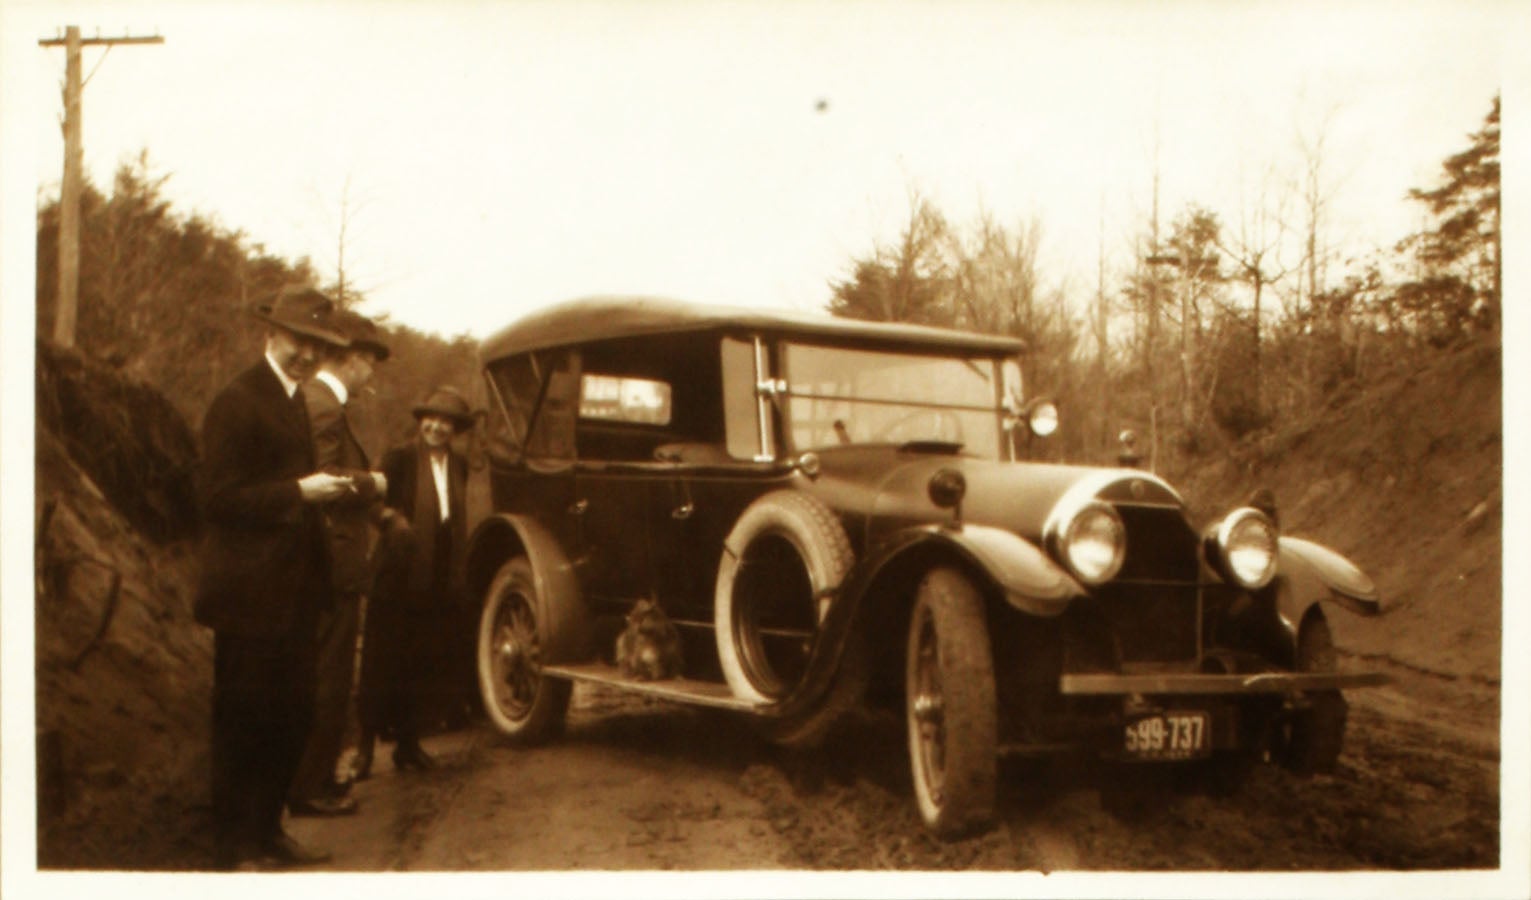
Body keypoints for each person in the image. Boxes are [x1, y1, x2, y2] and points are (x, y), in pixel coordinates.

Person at [194, 286, 354, 870]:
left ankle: (267, 831)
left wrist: (319, 497)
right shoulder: (237, 400)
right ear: (271, 336)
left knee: (292, 715)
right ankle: (234, 847)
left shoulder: (292, 401)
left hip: (292, 596)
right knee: (242, 720)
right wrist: (300, 493)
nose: (307, 355)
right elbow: (217, 500)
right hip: (247, 596)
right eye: (299, 341)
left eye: (317, 346)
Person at [286, 309, 391, 817]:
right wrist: (373, 484)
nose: (372, 374)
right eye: (370, 362)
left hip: (325, 562)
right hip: (333, 563)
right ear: (352, 360)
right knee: (328, 676)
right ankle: (311, 787)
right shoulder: (325, 406)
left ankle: (313, 779)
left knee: (323, 672)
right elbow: (325, 479)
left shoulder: (318, 401)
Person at [356, 385, 475, 776]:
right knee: (381, 661)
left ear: (455, 429)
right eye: (432, 419)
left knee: (421, 662)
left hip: (436, 576)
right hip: (398, 573)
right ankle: (364, 749)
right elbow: (369, 500)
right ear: (421, 421)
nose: (437, 428)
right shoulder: (400, 457)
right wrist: (391, 520)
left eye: (446, 422)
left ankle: (408, 744)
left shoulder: (458, 464)